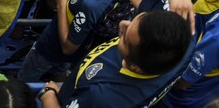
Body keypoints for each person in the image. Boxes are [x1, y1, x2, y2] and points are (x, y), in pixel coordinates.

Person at [44, 10, 193, 107]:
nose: (122, 25)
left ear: (136, 68)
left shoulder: (102, 99)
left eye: (125, 38)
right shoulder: (182, 45)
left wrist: (49, 95)